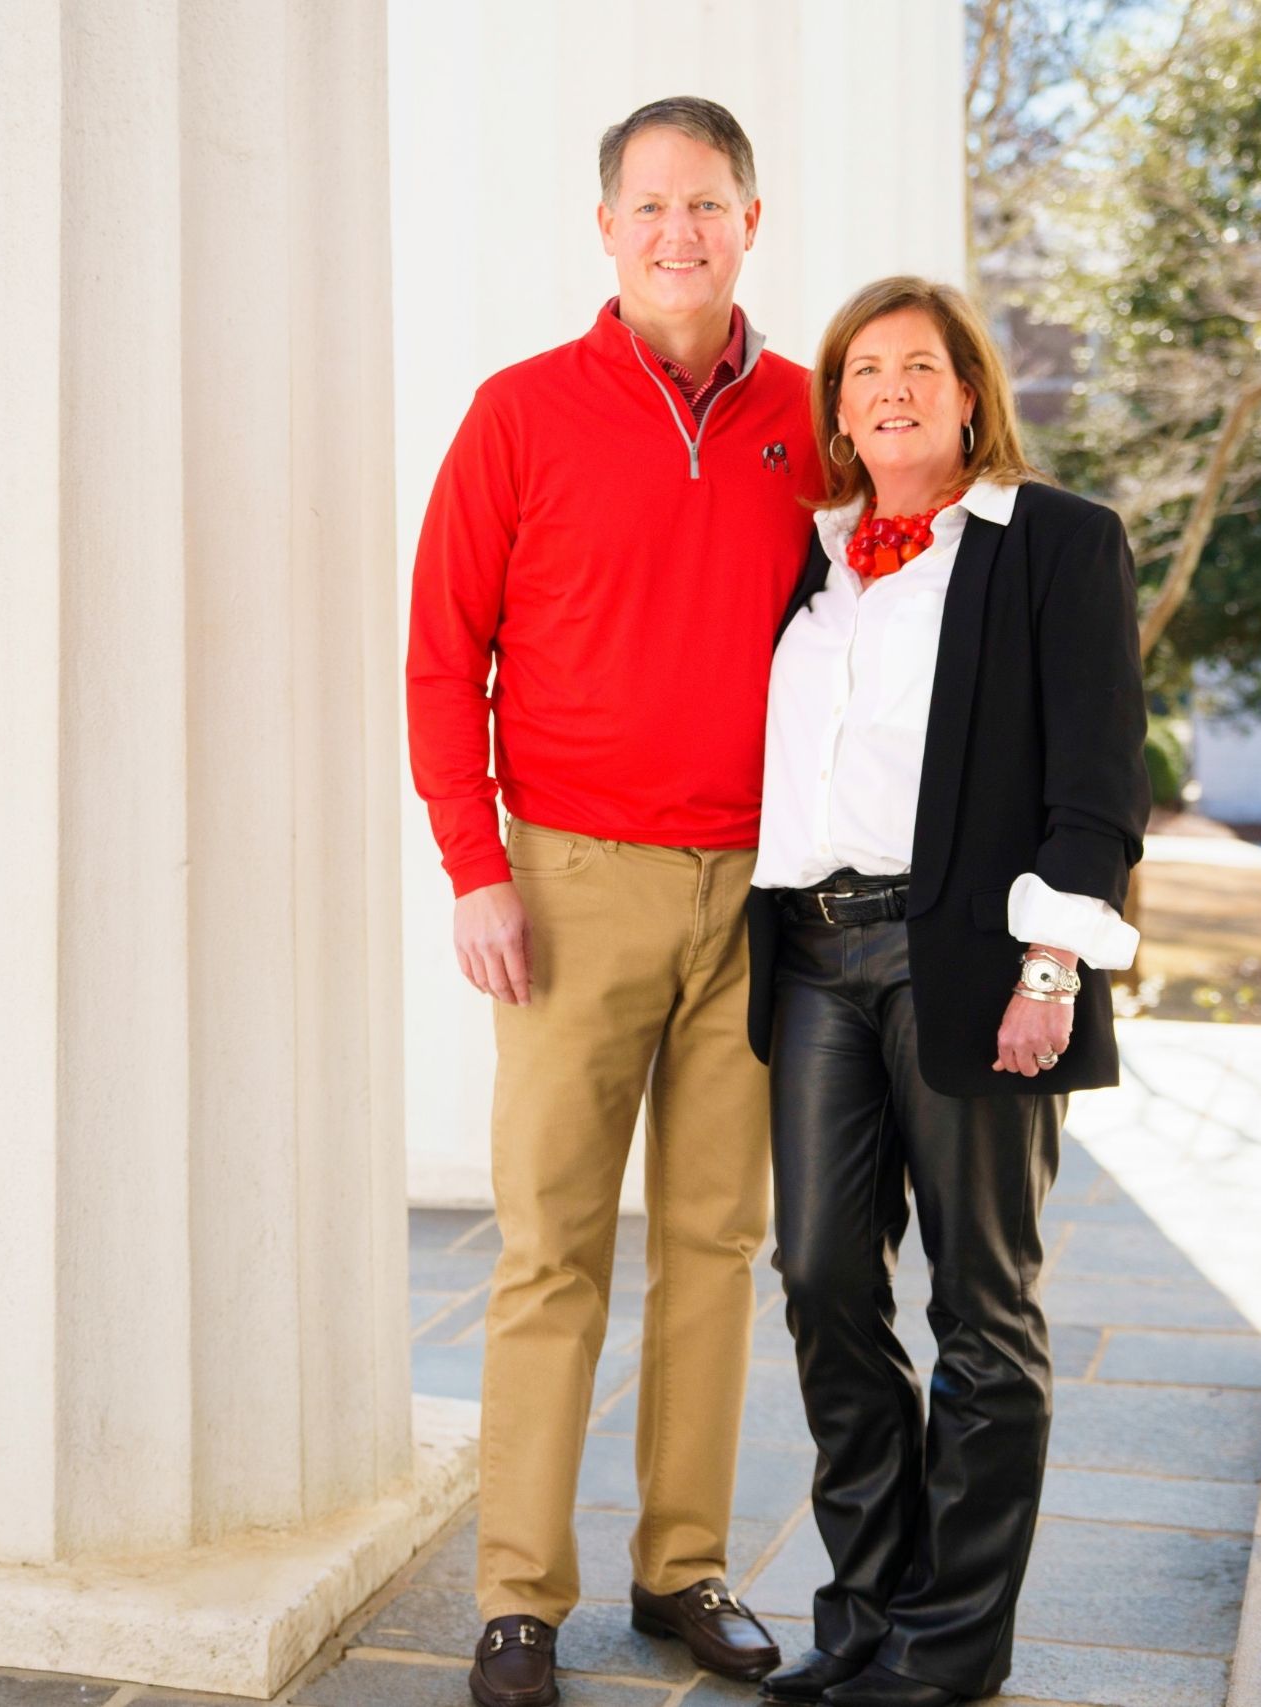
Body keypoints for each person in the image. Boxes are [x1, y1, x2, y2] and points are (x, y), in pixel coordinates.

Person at [406, 96, 822, 1707]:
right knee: (553, 1253)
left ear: (749, 223)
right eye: (649, 205)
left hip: (761, 898)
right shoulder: (520, 413)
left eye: (705, 205)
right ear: (606, 228)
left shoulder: (810, 416)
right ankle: (519, 1596)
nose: (677, 231)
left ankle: (683, 1571)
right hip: (571, 885)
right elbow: (448, 657)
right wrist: (476, 869)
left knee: (717, 1245)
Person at [744, 277, 1150, 1707]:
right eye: (864, 372)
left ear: (972, 391)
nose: (892, 390)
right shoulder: (813, 559)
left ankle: (951, 1643)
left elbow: (1099, 781)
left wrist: (1052, 969)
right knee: (819, 1281)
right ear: (838, 408)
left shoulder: (1054, 543)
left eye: (921, 366)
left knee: (982, 1309)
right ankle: (867, 1609)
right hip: (811, 956)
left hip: (968, 962)